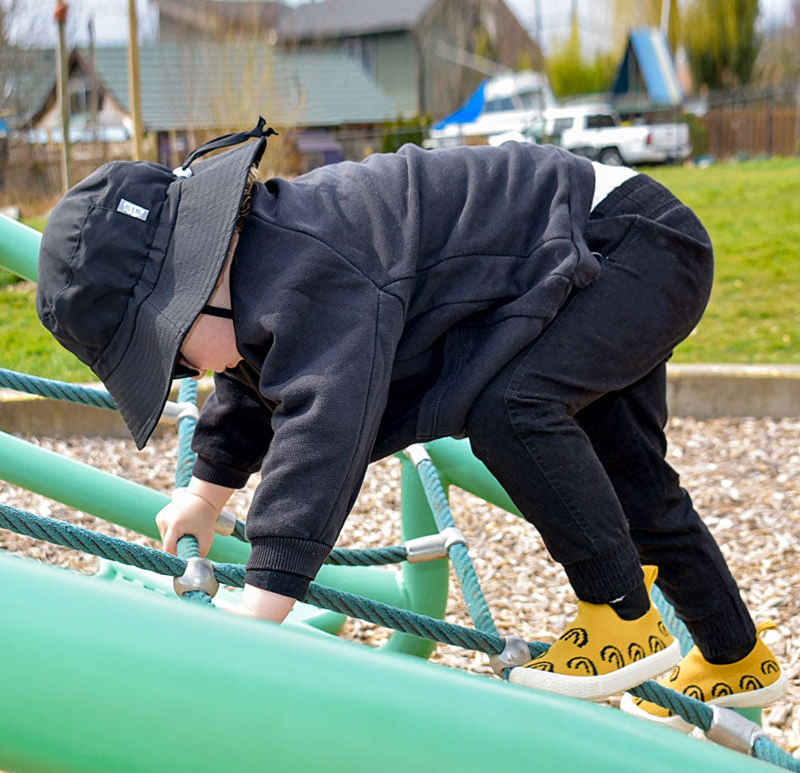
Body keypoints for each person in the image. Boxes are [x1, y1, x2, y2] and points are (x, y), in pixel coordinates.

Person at [36, 118, 786, 715]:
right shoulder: (258, 272)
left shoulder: (311, 260)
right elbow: (257, 385)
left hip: (627, 242)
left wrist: (259, 611)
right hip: (593, 254)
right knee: (630, 478)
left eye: (168, 351)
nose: (184, 372)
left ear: (193, 283)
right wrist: (206, 492)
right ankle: (732, 655)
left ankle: (623, 619)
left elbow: (321, 429)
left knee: (508, 407)